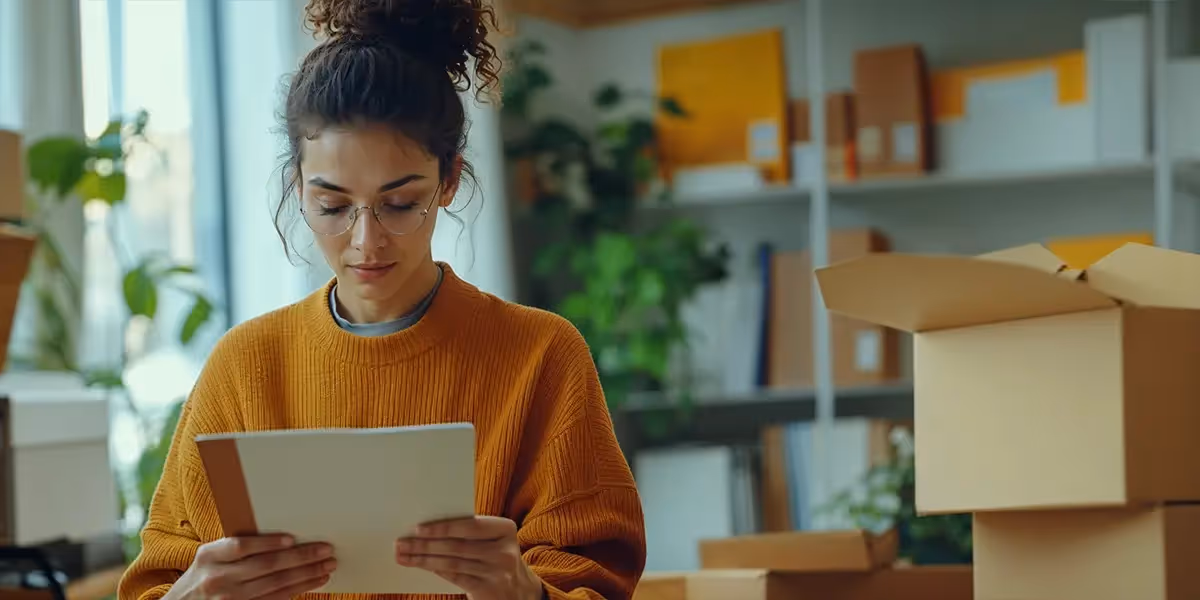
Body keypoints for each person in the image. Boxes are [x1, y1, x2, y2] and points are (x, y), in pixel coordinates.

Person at [116, 1, 647, 599]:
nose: (365, 241)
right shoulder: (243, 367)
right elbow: (157, 581)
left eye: (398, 203)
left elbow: (599, 581)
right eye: (333, 205)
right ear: (299, 189)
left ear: (449, 180)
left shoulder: (541, 356)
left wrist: (525, 593)